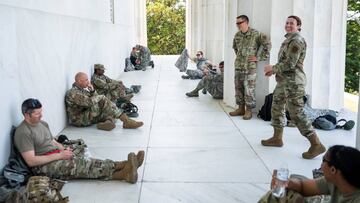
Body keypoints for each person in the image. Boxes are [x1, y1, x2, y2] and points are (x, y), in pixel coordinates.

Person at [14, 98, 145, 184]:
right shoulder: (23, 132)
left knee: (85, 160)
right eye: (37, 113)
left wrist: (63, 149)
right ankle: (123, 173)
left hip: (54, 154)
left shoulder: (42, 123)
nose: (41, 115)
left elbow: (52, 142)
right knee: (82, 166)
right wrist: (59, 155)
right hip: (42, 165)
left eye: (41, 112)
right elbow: (31, 161)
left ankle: (124, 165)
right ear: (27, 115)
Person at [261, 15, 326, 159]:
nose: (288, 25)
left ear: (298, 26)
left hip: (294, 83)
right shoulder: (288, 40)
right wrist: (274, 71)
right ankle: (277, 138)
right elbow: (286, 63)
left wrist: (273, 67)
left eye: (292, 23)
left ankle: (316, 144)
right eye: (287, 23)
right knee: (276, 107)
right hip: (284, 82)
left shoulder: (296, 40)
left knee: (296, 114)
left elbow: (290, 63)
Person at [258, 145, 360, 202]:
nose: (320, 165)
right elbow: (303, 186)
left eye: (323, 160)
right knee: (283, 193)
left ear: (333, 170)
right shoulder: (334, 181)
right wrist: (288, 183)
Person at [65, 72, 143, 131]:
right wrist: (100, 97)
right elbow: (89, 102)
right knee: (103, 100)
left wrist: (92, 91)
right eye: (86, 80)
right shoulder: (73, 93)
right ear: (79, 81)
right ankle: (126, 121)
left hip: (87, 115)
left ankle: (106, 123)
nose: (88, 82)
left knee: (110, 110)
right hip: (80, 119)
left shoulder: (82, 90)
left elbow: (93, 98)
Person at [229, 15, 271, 120]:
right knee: (238, 88)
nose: (238, 25)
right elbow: (235, 48)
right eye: (237, 23)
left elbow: (267, 45)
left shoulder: (256, 34)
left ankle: (248, 110)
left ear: (246, 22)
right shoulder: (237, 35)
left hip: (250, 67)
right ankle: (240, 108)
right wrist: (240, 58)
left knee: (249, 89)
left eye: (240, 23)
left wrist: (259, 57)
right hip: (239, 66)